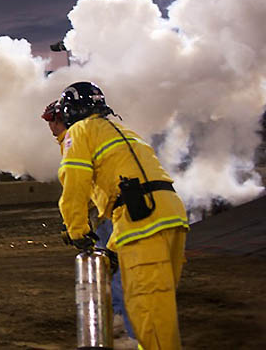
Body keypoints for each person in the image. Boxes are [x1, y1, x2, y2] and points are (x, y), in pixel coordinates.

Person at [56, 82, 189, 350]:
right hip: (170, 217)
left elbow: (75, 181)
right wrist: (115, 247)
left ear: (70, 112)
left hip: (144, 224)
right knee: (158, 308)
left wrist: (77, 230)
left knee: (149, 315)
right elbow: (131, 188)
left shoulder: (80, 131)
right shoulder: (122, 131)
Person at [42, 100, 136, 343]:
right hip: (112, 212)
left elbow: (78, 183)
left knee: (117, 271)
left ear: (63, 118)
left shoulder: (76, 136)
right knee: (113, 269)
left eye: (52, 120)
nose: (51, 127)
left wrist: (76, 227)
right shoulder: (92, 133)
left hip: (111, 214)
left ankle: (125, 327)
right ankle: (118, 320)